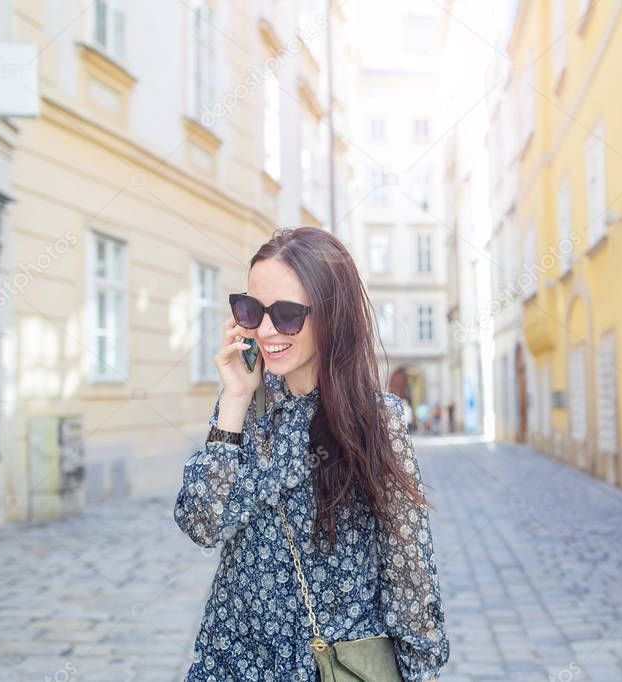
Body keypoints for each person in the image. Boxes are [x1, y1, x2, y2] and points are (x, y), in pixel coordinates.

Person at [174, 227, 449, 682]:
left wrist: (422, 669)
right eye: (251, 310)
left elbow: (409, 572)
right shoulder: (246, 409)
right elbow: (202, 524)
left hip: (330, 666)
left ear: (333, 316)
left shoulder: (377, 422)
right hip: (234, 660)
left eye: (286, 315)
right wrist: (235, 401)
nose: (264, 330)